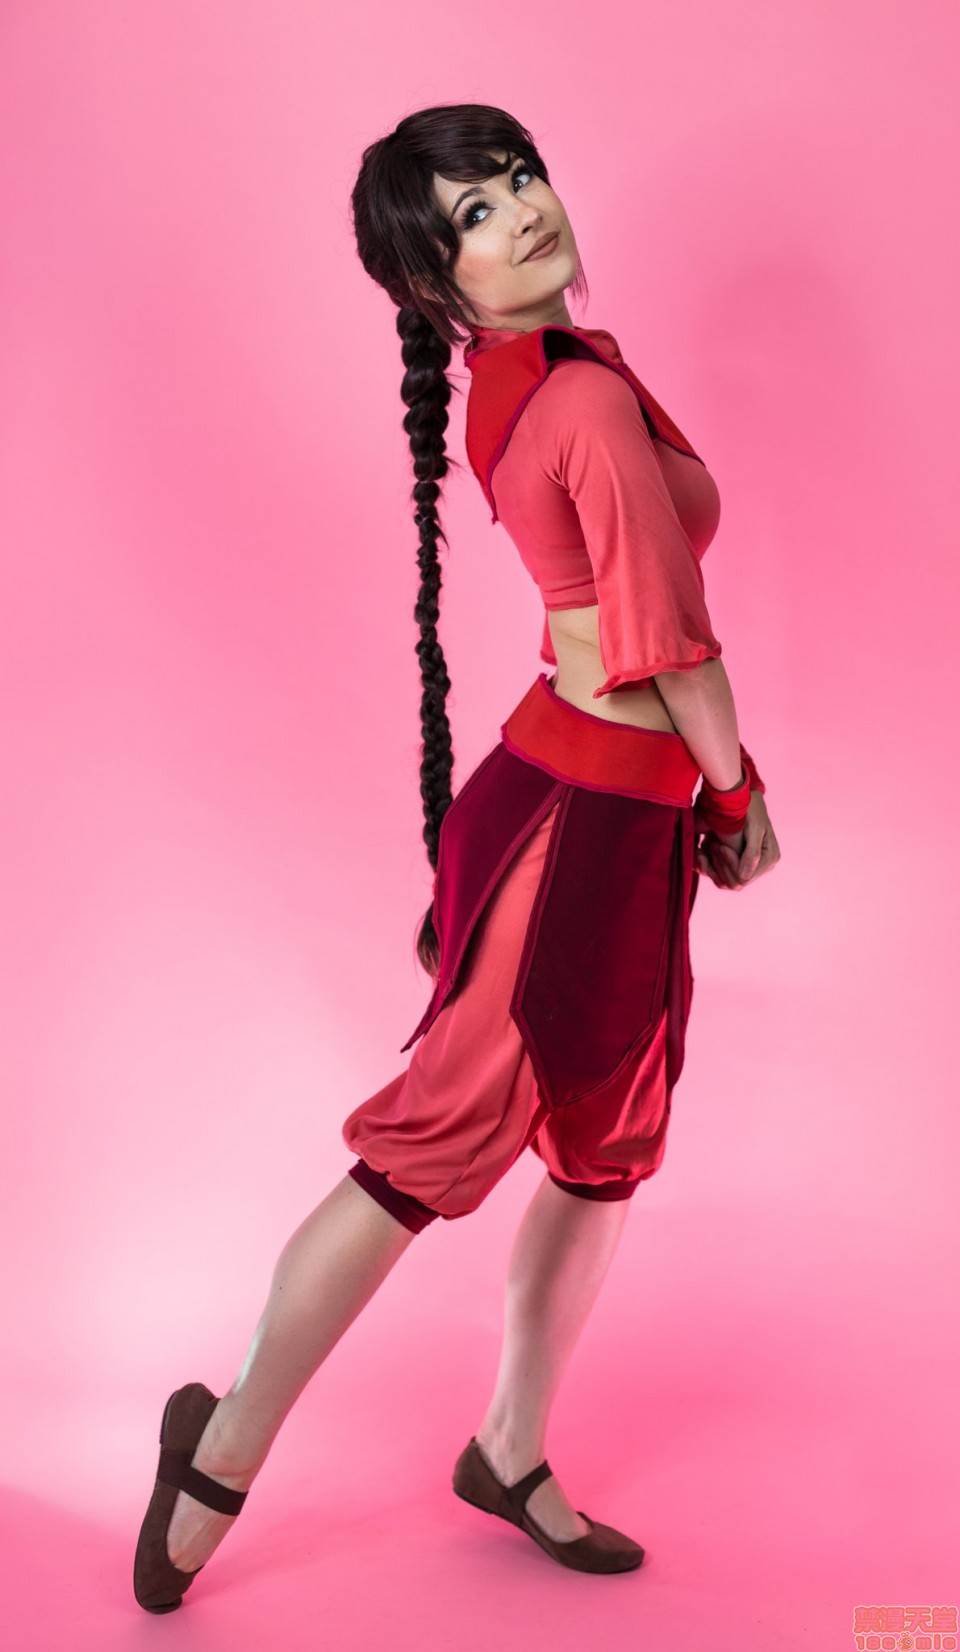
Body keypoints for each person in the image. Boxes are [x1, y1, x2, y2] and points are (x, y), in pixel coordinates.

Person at [133, 103, 781, 1611]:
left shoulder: (536, 372)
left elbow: (615, 620)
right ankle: (217, 1459)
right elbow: (670, 640)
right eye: (474, 211)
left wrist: (691, 805)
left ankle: (509, 1449)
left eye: (517, 177)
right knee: (418, 1159)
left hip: (603, 815)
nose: (522, 209)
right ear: (434, 283)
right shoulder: (579, 398)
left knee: (603, 1156)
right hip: (582, 826)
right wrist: (739, 793)